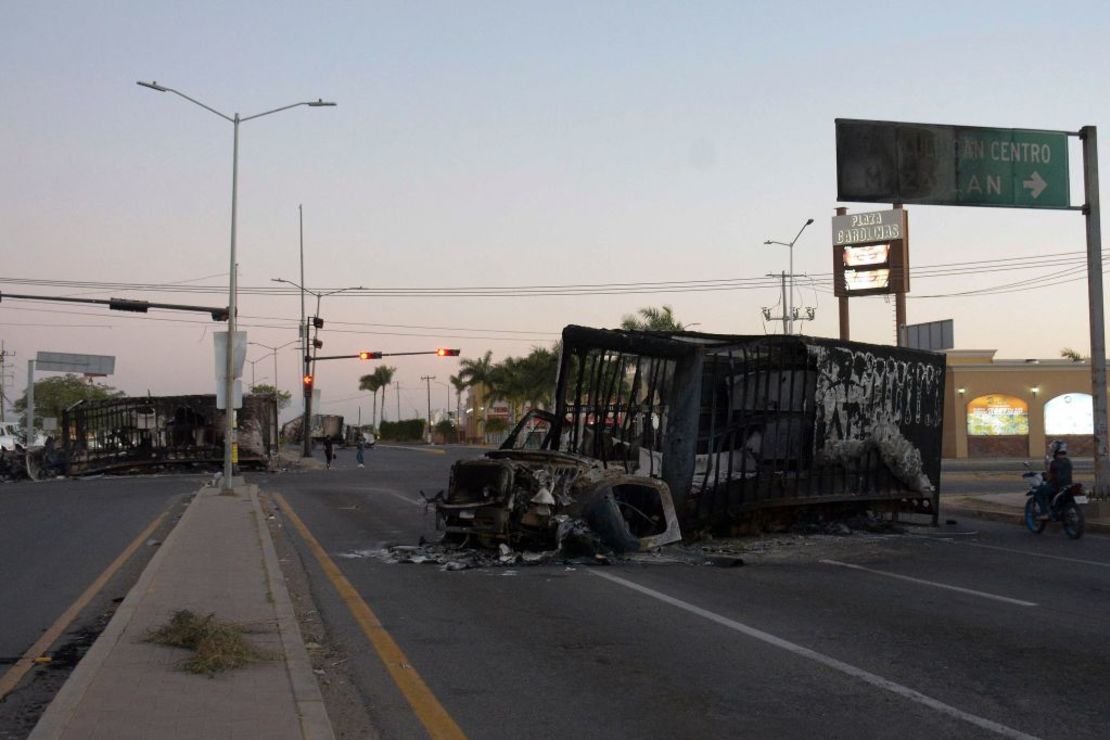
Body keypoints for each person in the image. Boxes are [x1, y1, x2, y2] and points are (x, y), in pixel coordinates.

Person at [1035, 440, 1073, 520]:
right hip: (1068, 486)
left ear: (1056, 451)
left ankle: (1044, 513)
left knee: (1038, 493)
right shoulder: (1068, 461)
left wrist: (1046, 465)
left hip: (1056, 486)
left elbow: (1049, 477)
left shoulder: (1054, 463)